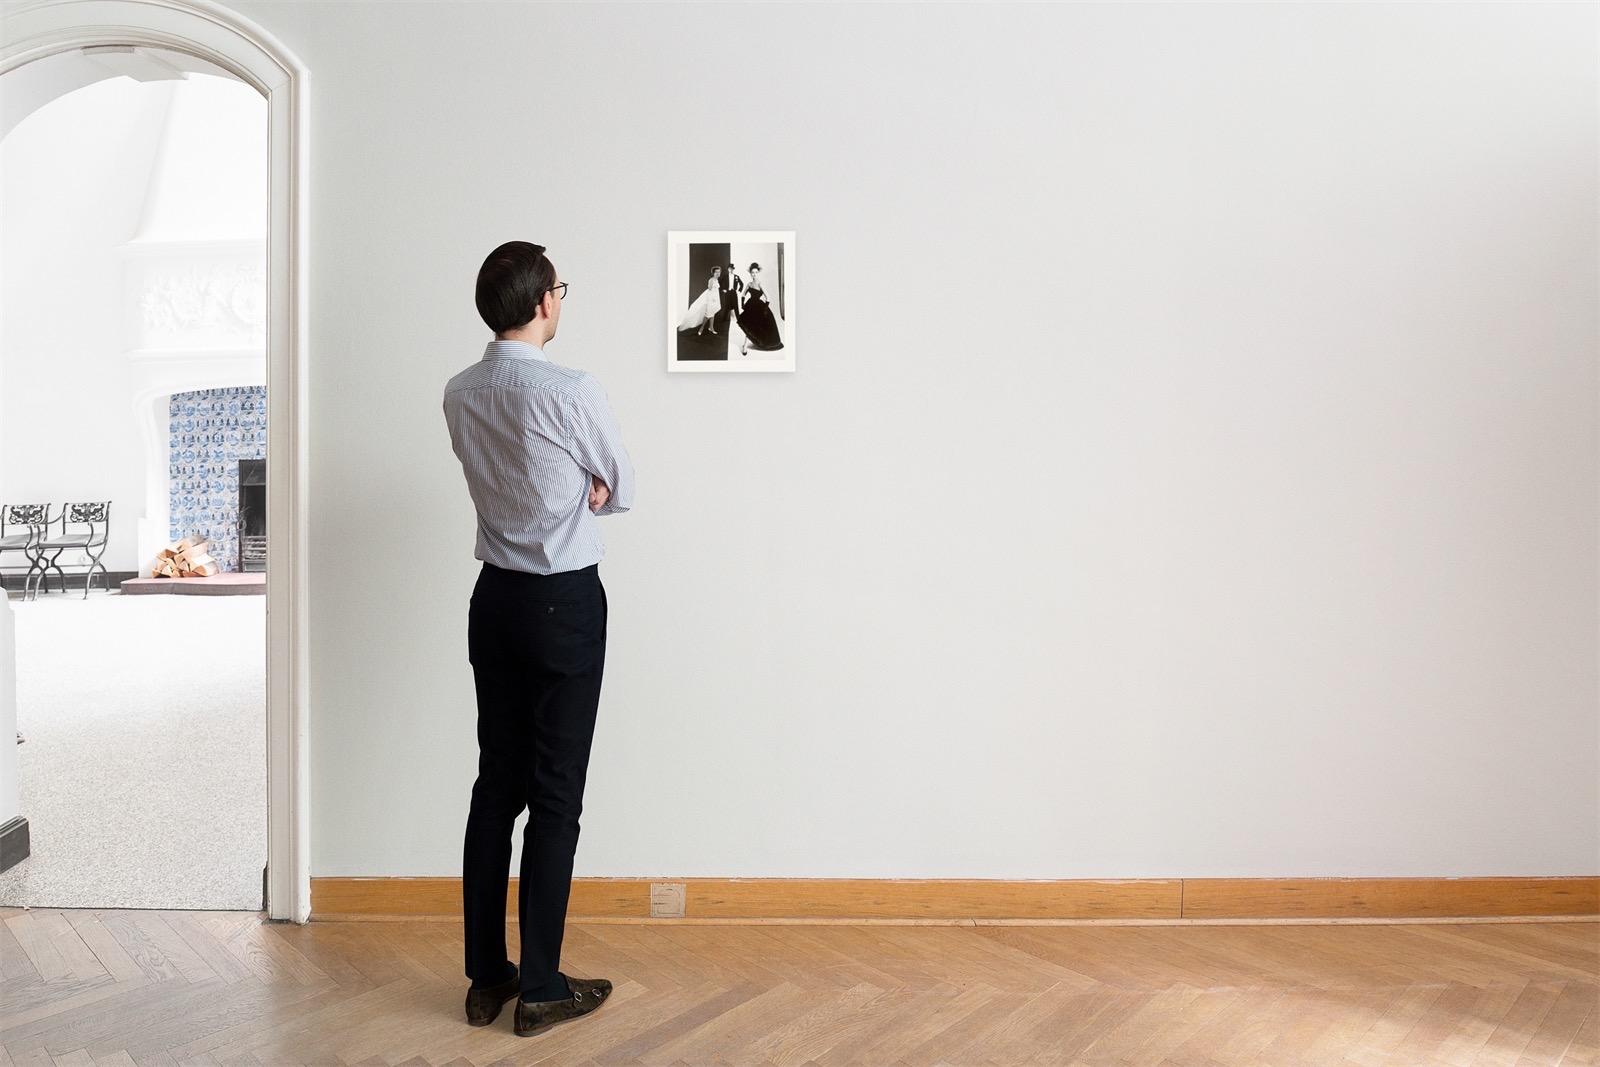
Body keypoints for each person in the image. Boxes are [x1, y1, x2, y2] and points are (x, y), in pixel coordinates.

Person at [443, 240, 634, 1038]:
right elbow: (620, 481)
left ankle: (488, 977)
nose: (562, 298)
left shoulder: (459, 392)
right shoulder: (570, 388)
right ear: (543, 302)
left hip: (495, 602)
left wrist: (576, 483)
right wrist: (589, 485)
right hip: (561, 602)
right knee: (555, 794)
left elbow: (504, 477)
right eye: (560, 287)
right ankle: (544, 985)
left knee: (497, 786)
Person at [736, 261, 784, 355]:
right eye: (752, 273)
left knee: (754, 325)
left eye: (756, 272)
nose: (754, 274)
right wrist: (742, 304)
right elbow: (743, 295)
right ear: (750, 273)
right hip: (750, 306)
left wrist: (765, 310)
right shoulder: (749, 284)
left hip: (758, 307)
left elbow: (768, 298)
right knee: (748, 325)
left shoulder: (760, 284)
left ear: (758, 273)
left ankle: (749, 344)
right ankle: (745, 346)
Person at [677, 270, 721, 335]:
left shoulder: (717, 280)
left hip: (715, 298)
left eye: (719, 272)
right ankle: (701, 328)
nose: (718, 273)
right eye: (716, 272)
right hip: (711, 298)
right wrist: (712, 299)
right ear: (713, 273)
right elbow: (710, 290)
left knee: (713, 313)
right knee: (708, 314)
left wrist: (716, 298)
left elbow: (716, 290)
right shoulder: (711, 280)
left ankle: (711, 328)